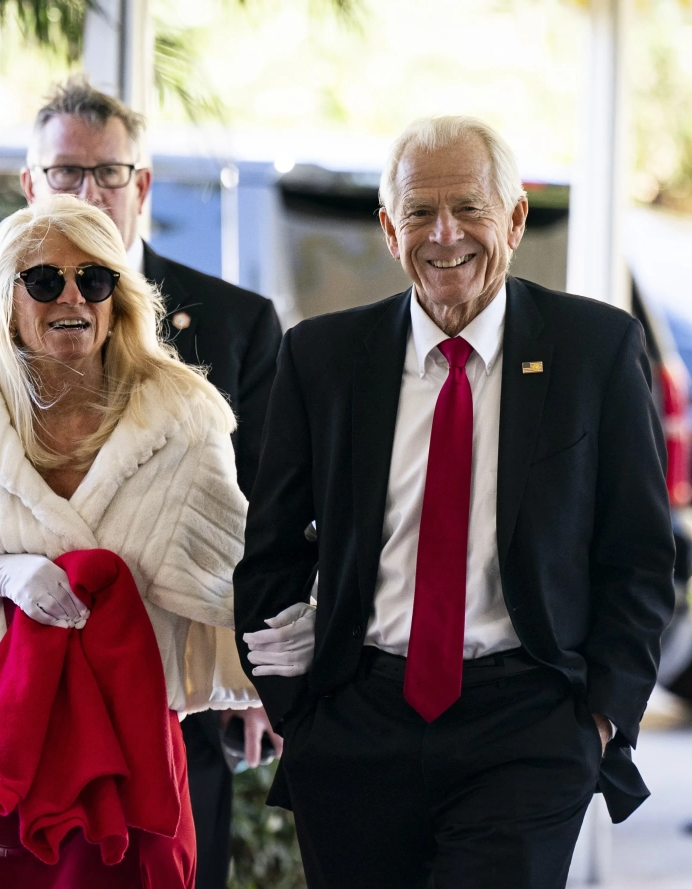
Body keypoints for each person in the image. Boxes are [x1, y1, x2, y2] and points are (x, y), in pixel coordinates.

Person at [0, 78, 282, 889]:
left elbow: (251, 529)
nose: (86, 192)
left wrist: (264, 670)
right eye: (65, 173)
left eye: (108, 173)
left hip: (153, 715)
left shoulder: (228, 328)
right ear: (31, 184)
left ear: (140, 184)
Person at [234, 115, 677, 889]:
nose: (445, 234)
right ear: (388, 229)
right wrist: (298, 706)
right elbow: (270, 550)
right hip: (356, 723)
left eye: (469, 208)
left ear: (514, 218)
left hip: (527, 724)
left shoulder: (595, 350)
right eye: (419, 212)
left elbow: (638, 553)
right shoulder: (323, 357)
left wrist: (600, 718)